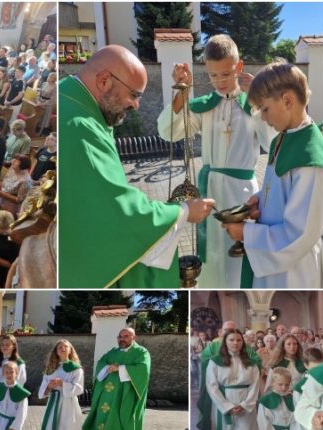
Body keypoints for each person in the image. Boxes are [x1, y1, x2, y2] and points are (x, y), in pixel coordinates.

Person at [60, 45, 215, 288]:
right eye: (134, 94)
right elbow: (117, 209)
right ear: (104, 81)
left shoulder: (72, 102)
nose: (136, 105)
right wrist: (183, 212)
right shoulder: (79, 126)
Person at [159, 35, 274, 288]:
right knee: (212, 254)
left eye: (226, 73)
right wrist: (182, 91)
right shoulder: (206, 107)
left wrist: (261, 98)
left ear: (239, 67)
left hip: (242, 193)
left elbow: (272, 140)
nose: (219, 81)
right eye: (213, 75)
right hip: (209, 191)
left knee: (237, 252)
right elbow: (169, 131)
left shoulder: (253, 106)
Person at [224, 62, 323, 288]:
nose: (262, 118)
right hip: (271, 258)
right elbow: (282, 189)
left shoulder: (311, 158)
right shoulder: (282, 138)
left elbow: (300, 233)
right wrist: (260, 199)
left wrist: (246, 233)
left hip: (293, 269)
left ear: (287, 100)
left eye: (265, 109)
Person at [205, 328, 262, 430]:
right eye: (232, 340)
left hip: (246, 404)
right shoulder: (215, 361)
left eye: (238, 340)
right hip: (224, 403)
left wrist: (245, 405)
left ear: (243, 342)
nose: (235, 343)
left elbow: (255, 385)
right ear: (225, 342)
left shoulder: (250, 362)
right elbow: (212, 385)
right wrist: (227, 406)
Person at [83, 327, 152, 430]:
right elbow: (101, 363)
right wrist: (107, 368)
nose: (122, 339)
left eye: (126, 336)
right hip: (107, 395)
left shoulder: (141, 352)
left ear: (134, 337)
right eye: (120, 337)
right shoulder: (113, 352)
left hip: (125, 395)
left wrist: (120, 368)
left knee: (121, 419)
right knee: (103, 418)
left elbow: (143, 369)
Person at [36, 340, 87, 430]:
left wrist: (63, 383)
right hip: (53, 403)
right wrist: (49, 387)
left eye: (66, 347)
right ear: (56, 351)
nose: (63, 348)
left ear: (70, 350)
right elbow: (43, 388)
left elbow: (79, 388)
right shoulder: (51, 369)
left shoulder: (76, 369)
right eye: (60, 347)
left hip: (68, 403)